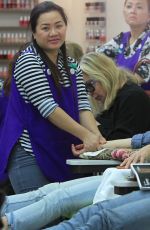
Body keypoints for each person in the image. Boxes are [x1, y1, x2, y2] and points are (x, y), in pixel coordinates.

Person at [0, 1, 105, 194]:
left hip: (59, 149)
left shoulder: (71, 64)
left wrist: (97, 138)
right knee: (38, 215)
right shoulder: (28, 60)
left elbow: (82, 104)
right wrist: (86, 135)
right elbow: (48, 107)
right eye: (45, 28)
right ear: (34, 31)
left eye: (59, 26)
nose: (54, 32)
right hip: (29, 152)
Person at [1, 130, 150, 229]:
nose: (90, 91)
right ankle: (7, 221)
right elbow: (140, 140)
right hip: (139, 173)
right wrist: (95, 146)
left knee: (100, 218)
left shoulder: (130, 96)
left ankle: (7, 223)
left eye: (91, 86)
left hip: (140, 176)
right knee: (55, 193)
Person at [77, 52, 150, 145]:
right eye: (84, 89)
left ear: (104, 75)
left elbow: (121, 141)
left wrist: (92, 124)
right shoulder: (110, 98)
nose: (90, 93)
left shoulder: (133, 97)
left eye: (89, 85)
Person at [97, 0, 150, 95]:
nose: (132, 11)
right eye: (129, 6)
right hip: (122, 99)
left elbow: (139, 77)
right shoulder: (121, 38)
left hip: (143, 103)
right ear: (124, 12)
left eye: (139, 7)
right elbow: (96, 60)